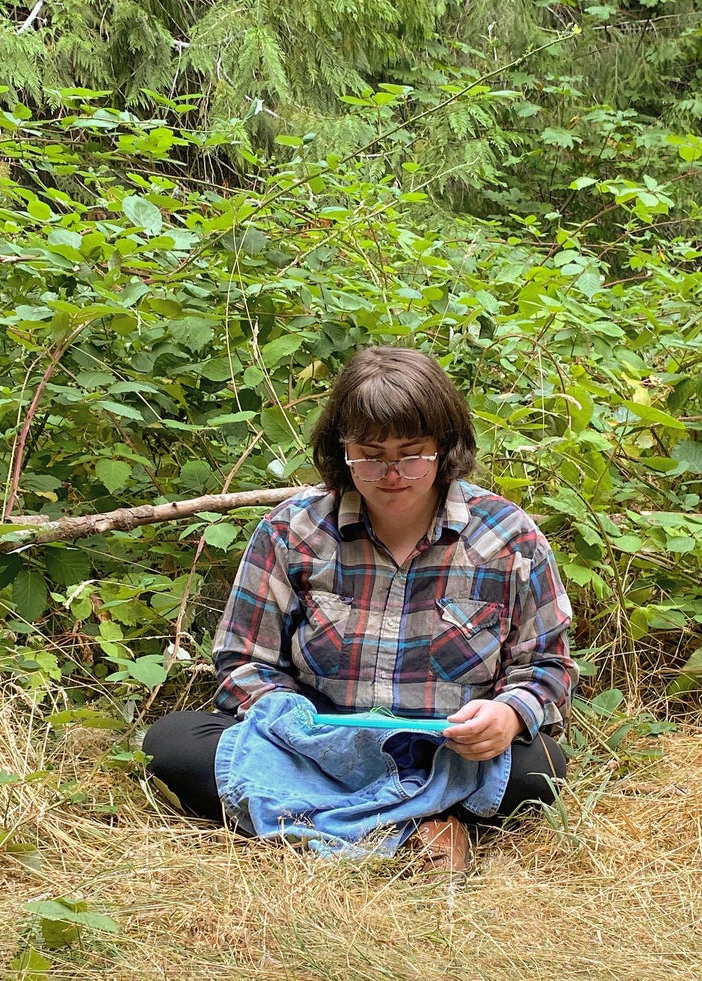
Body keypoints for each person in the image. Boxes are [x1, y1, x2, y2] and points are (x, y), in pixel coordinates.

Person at [143, 346, 578, 872]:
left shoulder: (508, 537)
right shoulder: (292, 531)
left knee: (540, 770)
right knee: (169, 745)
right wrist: (307, 729)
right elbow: (242, 663)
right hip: (315, 752)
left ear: (445, 446)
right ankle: (422, 826)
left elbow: (547, 666)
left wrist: (508, 715)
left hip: (446, 755)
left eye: (412, 453)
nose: (392, 474)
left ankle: (317, 824)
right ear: (341, 450)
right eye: (370, 455)